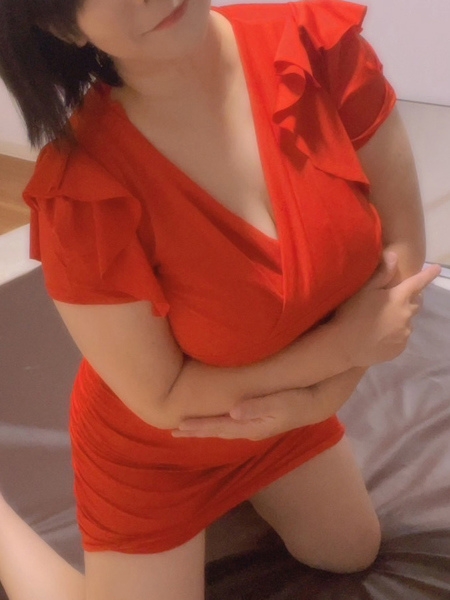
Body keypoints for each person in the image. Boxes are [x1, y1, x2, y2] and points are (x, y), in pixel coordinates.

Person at [0, 0, 441, 598]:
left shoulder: (317, 52)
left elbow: (402, 256)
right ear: (62, 26)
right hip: (159, 452)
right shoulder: (83, 192)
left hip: (280, 413)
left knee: (351, 551)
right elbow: (164, 399)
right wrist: (343, 354)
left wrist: (320, 400)